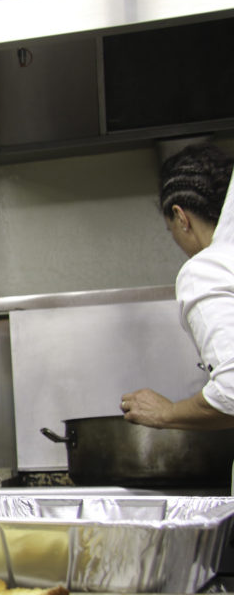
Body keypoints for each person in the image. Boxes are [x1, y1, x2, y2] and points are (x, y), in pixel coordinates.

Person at [121, 142, 234, 430]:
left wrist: (167, 413)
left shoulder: (207, 269)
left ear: (182, 218)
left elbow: (231, 391)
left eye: (171, 231)